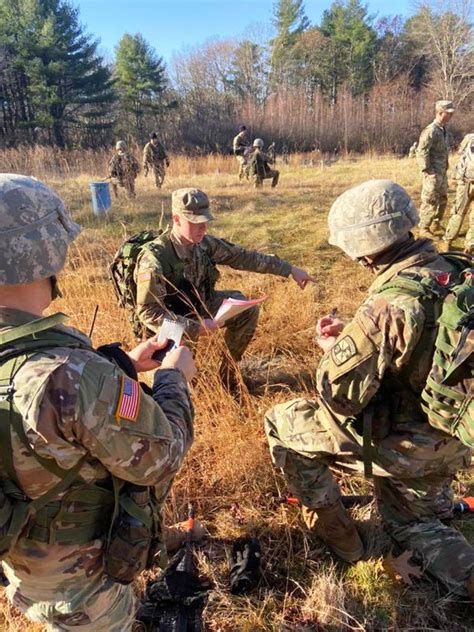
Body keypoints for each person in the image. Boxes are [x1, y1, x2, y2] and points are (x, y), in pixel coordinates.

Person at [0, 174, 198, 630]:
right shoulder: (75, 376)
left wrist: (121, 365)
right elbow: (162, 457)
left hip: (19, 561)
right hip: (83, 586)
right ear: (47, 255)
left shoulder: (71, 373)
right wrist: (173, 380)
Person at [264, 179, 474, 598]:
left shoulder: (390, 304)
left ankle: (345, 542)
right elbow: (423, 343)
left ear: (363, 248)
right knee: (414, 524)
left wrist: (334, 349)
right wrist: (357, 337)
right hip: (454, 437)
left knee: (283, 422)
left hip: (407, 446)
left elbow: (339, 397)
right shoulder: (455, 270)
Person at [132, 187, 314, 380]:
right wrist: (193, 327)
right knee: (177, 373)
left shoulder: (204, 244)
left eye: (205, 221)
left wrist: (289, 269)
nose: (203, 228)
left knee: (247, 310)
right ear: (176, 219)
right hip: (171, 323)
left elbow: (243, 257)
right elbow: (148, 311)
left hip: (200, 305)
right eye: (195, 222)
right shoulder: (154, 258)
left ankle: (229, 375)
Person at [416, 100, 455, 237]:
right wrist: (427, 170)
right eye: (448, 113)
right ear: (440, 113)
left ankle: (436, 223)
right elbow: (421, 151)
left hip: (442, 172)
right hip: (432, 173)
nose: (450, 116)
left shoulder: (443, 129)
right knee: (430, 200)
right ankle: (424, 228)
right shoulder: (431, 130)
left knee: (443, 198)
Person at [443, 132, 474, 254]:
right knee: (459, 213)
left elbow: (460, 152)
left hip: (465, 181)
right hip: (465, 182)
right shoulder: (470, 137)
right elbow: (461, 153)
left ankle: (465, 245)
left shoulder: (469, 137)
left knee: (464, 214)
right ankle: (452, 242)